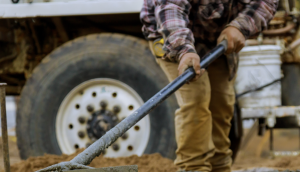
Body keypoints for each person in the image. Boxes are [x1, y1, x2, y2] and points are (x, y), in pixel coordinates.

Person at [140, 0, 278, 171]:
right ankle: (193, 167)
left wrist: (240, 26)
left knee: (221, 104)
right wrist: (184, 50)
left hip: (218, 38)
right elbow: (172, 10)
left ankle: (219, 167)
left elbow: (266, 2)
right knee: (196, 100)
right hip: (172, 35)